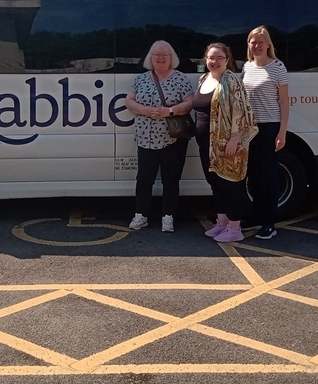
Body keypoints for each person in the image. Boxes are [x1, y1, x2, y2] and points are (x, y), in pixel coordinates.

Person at [124, 40, 195, 233]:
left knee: (170, 180)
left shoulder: (180, 78)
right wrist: (145, 110)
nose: (161, 58)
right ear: (151, 58)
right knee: (144, 179)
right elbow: (129, 101)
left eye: (165, 55)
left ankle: (168, 217)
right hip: (145, 138)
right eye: (157, 55)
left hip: (173, 139)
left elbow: (190, 103)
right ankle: (141, 216)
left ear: (171, 58)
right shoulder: (141, 79)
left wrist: (170, 111)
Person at [194, 42, 255, 243]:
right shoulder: (204, 79)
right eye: (211, 58)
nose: (215, 61)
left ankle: (235, 228)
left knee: (231, 185)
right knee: (215, 183)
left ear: (227, 60)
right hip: (208, 144)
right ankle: (221, 223)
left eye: (220, 58)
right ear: (206, 59)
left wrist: (235, 139)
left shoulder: (232, 81)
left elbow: (241, 111)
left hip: (228, 143)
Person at [242, 26, 289, 240]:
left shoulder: (278, 68)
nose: (257, 45)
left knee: (269, 175)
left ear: (268, 44)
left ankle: (269, 222)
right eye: (253, 42)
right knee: (252, 174)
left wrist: (282, 132)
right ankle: (256, 215)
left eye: (261, 42)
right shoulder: (247, 67)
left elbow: (284, 102)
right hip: (249, 128)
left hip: (270, 126)